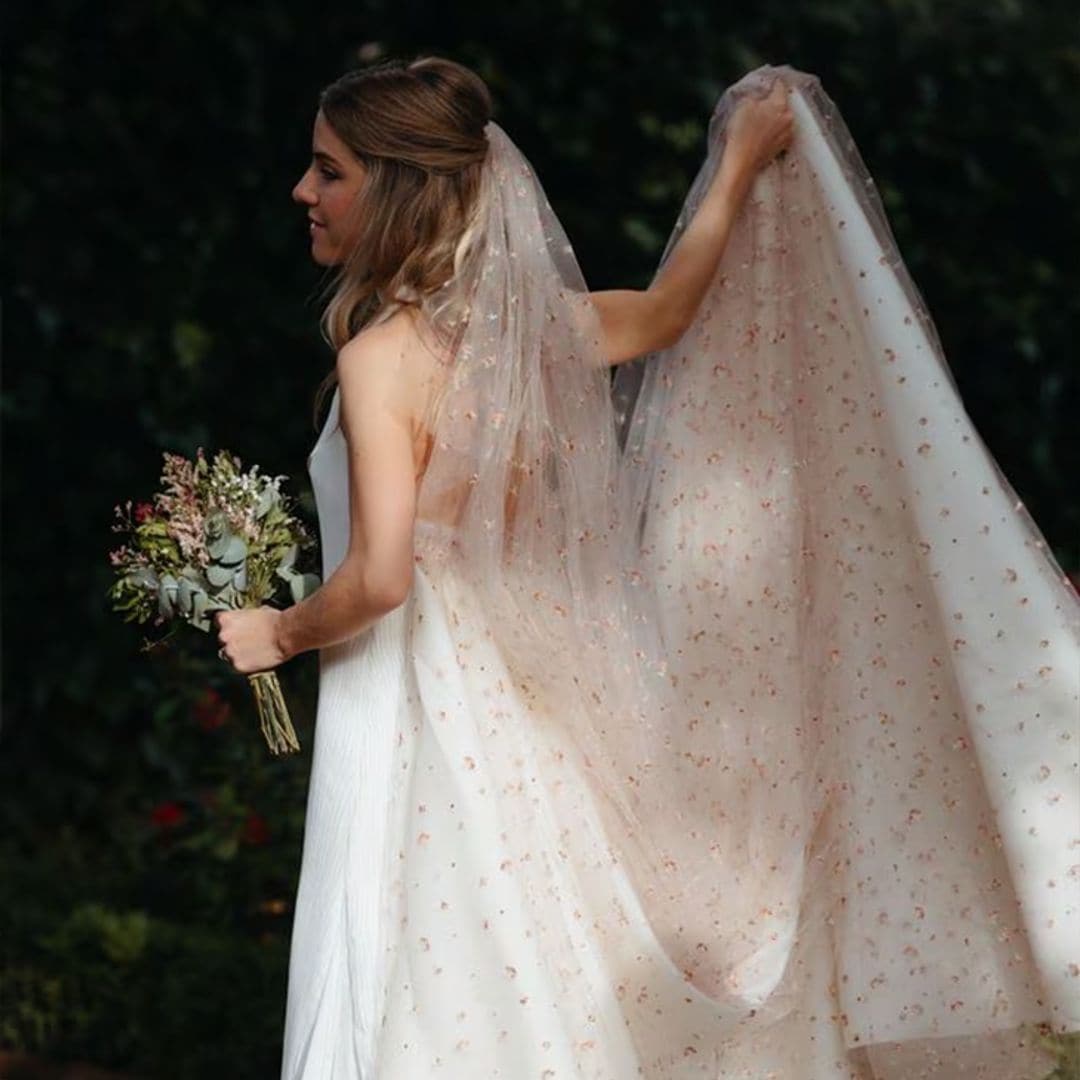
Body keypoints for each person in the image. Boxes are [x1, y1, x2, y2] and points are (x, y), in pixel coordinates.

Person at [212, 55, 1079, 1079]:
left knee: (407, 949)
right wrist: (739, 160)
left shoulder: (380, 359)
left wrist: (276, 628)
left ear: (399, 189)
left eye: (330, 171)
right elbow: (671, 310)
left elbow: (381, 580)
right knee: (532, 940)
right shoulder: (535, 334)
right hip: (519, 708)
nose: (303, 192)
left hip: (417, 706)